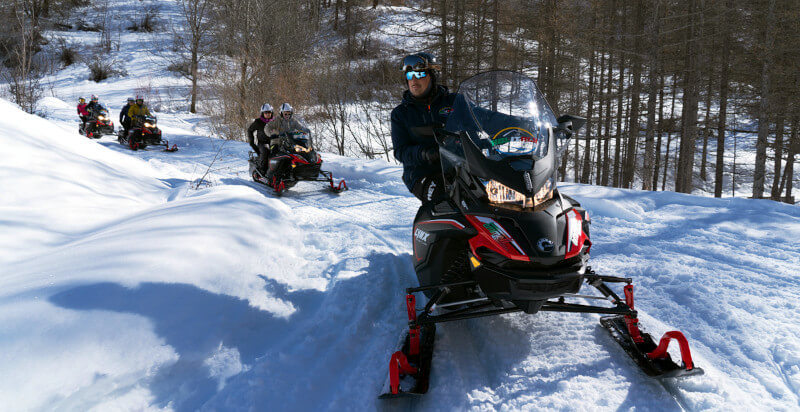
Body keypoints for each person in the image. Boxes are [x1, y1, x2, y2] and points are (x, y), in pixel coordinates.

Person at [390, 52, 458, 203]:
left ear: (432, 76)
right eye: (409, 76)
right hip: (421, 173)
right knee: (446, 201)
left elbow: (484, 118)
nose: (413, 80)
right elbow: (400, 151)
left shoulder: (454, 102)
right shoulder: (401, 114)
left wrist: (516, 124)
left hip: (457, 168)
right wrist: (425, 153)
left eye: (419, 74)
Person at [247, 103, 275, 173]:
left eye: (269, 112)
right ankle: (262, 170)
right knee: (265, 152)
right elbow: (250, 130)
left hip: (274, 142)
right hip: (263, 143)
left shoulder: (275, 121)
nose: (268, 114)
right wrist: (251, 142)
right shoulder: (258, 122)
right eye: (266, 112)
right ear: (262, 113)